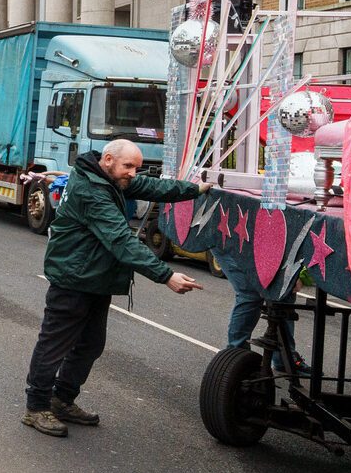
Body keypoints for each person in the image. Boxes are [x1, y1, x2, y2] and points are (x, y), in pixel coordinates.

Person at [22, 140, 210, 437]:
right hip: (74, 279)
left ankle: (62, 399)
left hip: (94, 277)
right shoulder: (92, 191)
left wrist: (193, 189)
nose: (133, 173)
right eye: (128, 167)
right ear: (108, 159)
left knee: (90, 343)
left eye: (136, 167)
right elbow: (121, 240)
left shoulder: (106, 177)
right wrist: (166, 275)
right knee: (54, 344)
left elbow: (150, 186)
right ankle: (36, 407)